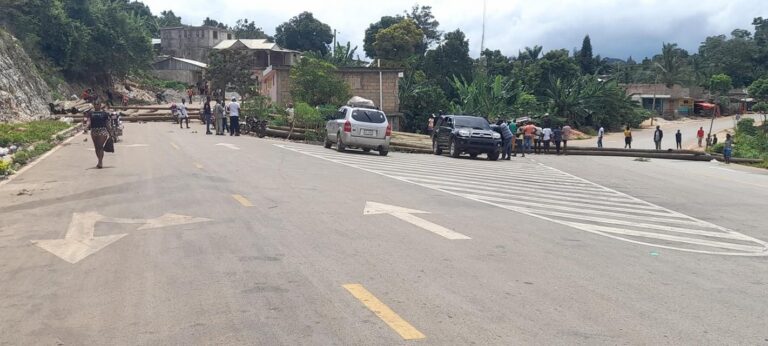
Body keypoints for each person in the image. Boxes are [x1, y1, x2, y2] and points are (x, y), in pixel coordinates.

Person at [88, 103, 112, 169]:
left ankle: (100, 162)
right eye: (95, 104)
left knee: (100, 146)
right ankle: (99, 160)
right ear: (94, 105)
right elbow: (89, 121)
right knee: (96, 147)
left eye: (98, 104)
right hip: (94, 130)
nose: (97, 105)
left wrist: (110, 133)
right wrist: (86, 126)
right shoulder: (91, 113)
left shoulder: (104, 113)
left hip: (102, 130)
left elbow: (107, 123)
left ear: (100, 105)